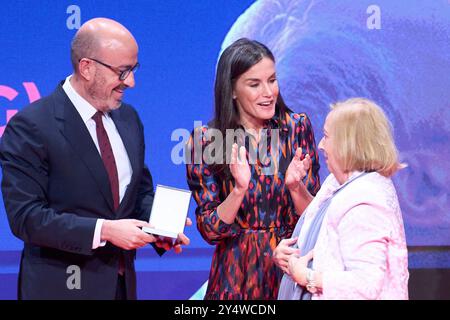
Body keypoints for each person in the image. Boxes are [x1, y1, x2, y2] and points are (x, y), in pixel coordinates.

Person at [0, 18, 190, 300]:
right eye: (123, 71)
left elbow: (138, 192)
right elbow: (26, 217)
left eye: (133, 69)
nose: (132, 82)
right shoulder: (32, 125)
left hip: (121, 288)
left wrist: (160, 225)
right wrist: (106, 230)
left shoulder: (128, 118)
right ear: (87, 67)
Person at [185, 38, 320, 300]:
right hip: (235, 276)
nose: (268, 93)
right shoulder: (207, 140)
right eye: (254, 84)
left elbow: (314, 219)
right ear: (232, 90)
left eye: (272, 80)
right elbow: (211, 230)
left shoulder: (295, 128)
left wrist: (296, 187)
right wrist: (239, 190)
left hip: (290, 267)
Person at [274, 98, 409, 299]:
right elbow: (327, 228)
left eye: (327, 136)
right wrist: (289, 255)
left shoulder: (366, 201)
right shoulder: (337, 183)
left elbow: (366, 284)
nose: (320, 145)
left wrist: (307, 276)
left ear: (348, 144)